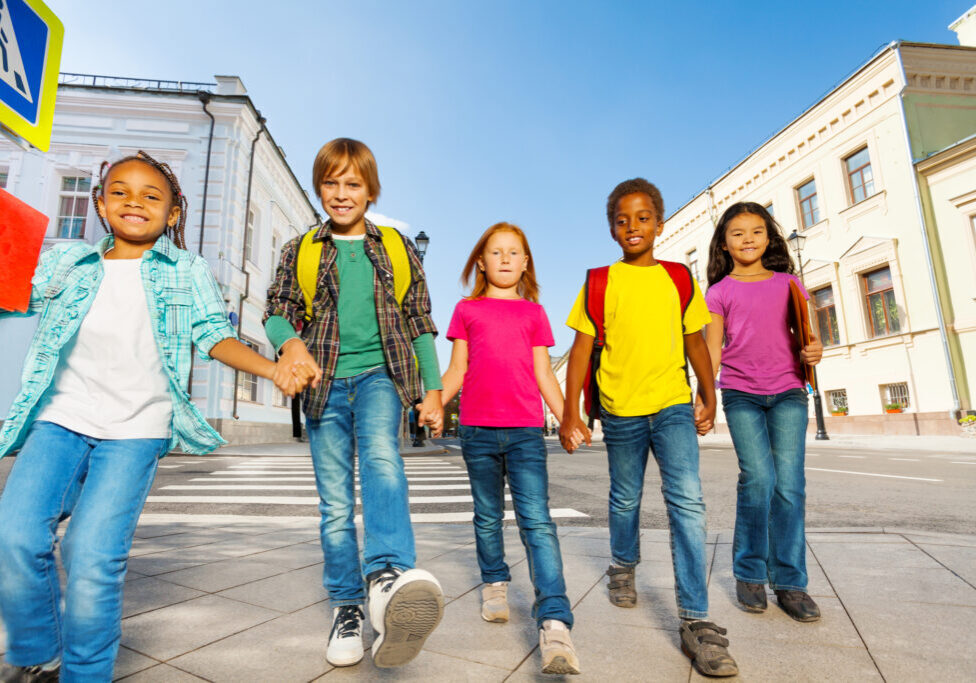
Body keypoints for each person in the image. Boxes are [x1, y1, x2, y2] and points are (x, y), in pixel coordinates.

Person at [0, 152, 287, 682]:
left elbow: (213, 334)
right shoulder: (67, 262)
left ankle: (86, 674)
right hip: (60, 417)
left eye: (152, 195)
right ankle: (38, 649)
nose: (135, 201)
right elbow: (14, 296)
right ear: (102, 204)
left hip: (135, 431)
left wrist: (272, 371)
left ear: (174, 213)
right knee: (13, 533)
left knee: (91, 553)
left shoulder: (186, 269)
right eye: (120, 191)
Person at [263, 138, 445, 669]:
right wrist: (289, 342)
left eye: (352, 184)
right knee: (336, 504)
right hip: (323, 384)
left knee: (384, 465)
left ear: (370, 190)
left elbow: (419, 320)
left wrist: (430, 391)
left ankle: (386, 577)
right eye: (331, 183)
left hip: (380, 377)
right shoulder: (301, 249)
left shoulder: (395, 246)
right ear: (320, 186)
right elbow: (277, 309)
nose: (341, 194)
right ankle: (347, 606)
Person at [560, 178, 738, 677]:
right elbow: (578, 352)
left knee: (687, 502)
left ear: (659, 224)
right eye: (622, 220)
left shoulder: (679, 278)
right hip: (620, 409)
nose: (633, 227)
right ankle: (622, 565)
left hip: (672, 405)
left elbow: (696, 342)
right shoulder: (600, 281)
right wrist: (572, 412)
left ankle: (696, 620)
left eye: (643, 218)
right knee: (625, 497)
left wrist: (709, 392)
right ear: (612, 229)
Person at [441, 223, 585, 676]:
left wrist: (567, 418)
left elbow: (545, 374)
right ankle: (494, 583)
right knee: (487, 516)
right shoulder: (467, 309)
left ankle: (556, 619)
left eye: (514, 252)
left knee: (537, 521)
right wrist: (432, 402)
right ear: (481, 262)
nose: (505, 259)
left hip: (525, 432)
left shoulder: (534, 314)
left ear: (526, 263)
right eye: (495, 252)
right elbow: (457, 369)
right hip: (477, 431)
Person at [702, 201, 823, 622]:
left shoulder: (789, 283)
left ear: (769, 238)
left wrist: (816, 349)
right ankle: (749, 573)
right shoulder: (719, 292)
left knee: (789, 486)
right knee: (758, 480)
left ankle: (790, 583)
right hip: (741, 395)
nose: (748, 239)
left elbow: (810, 336)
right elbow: (712, 349)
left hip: (789, 390)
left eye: (756, 231)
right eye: (738, 233)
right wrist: (704, 396)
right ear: (725, 244)